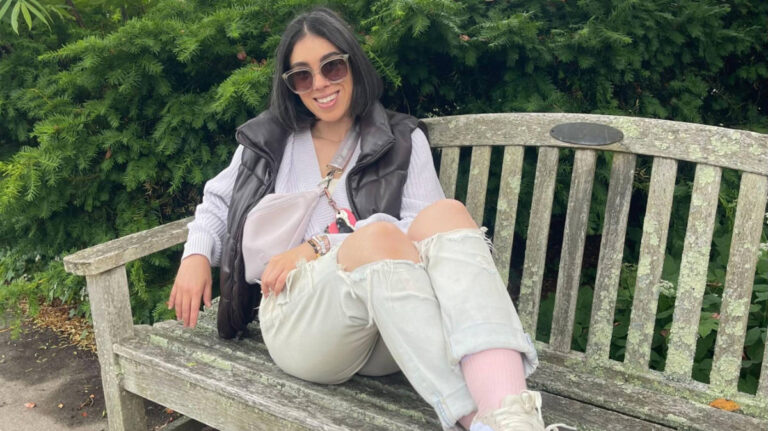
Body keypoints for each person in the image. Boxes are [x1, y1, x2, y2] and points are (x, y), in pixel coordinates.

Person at [168, 7, 571, 431]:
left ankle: (511, 421)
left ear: (353, 64)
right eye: (302, 76)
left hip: (389, 328)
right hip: (298, 318)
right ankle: (481, 422)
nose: (320, 84)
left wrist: (319, 245)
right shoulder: (271, 138)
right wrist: (196, 255)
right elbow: (219, 201)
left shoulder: (400, 139)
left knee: (446, 214)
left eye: (332, 66)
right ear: (290, 86)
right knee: (377, 236)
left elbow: (422, 241)